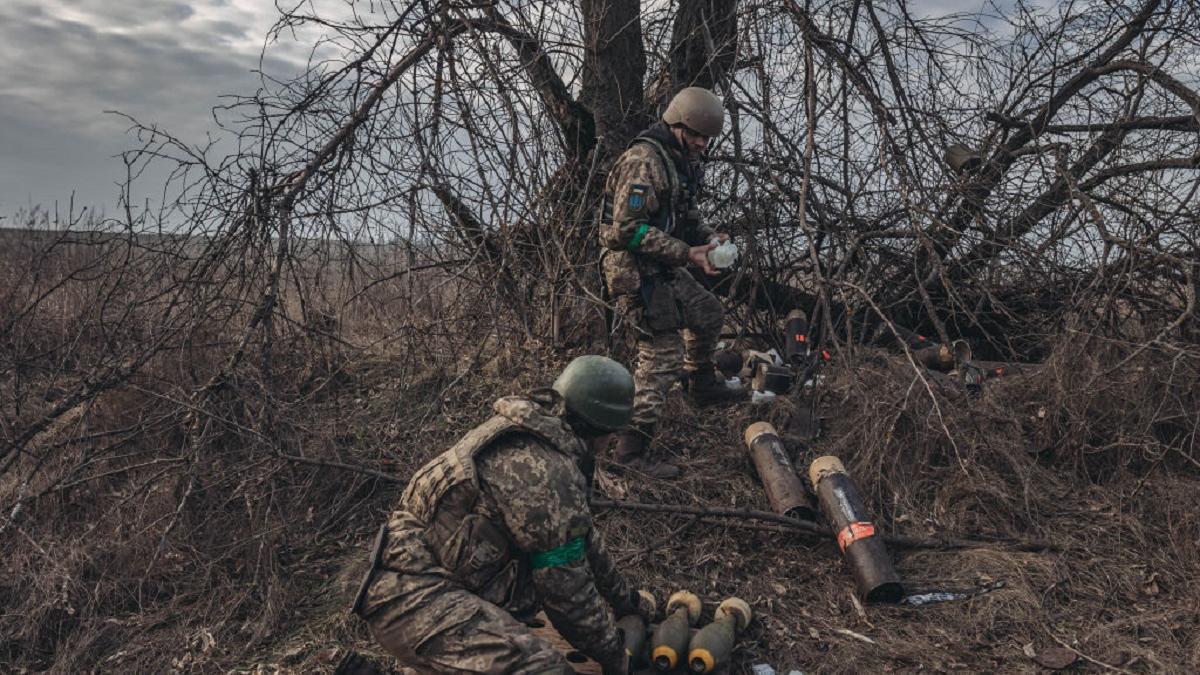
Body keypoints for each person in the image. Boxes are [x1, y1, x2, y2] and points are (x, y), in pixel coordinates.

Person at [352, 355, 654, 674]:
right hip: (416, 603)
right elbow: (568, 594)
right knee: (544, 669)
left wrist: (627, 603)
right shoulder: (545, 474)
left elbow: (582, 541)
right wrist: (615, 657)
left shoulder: (531, 437)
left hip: (420, 591)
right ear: (601, 430)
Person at [599, 86, 744, 480]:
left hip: (661, 265)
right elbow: (624, 231)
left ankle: (701, 385)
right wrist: (688, 254)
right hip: (634, 271)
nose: (701, 143)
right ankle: (630, 454)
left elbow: (686, 211)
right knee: (660, 359)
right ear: (676, 124)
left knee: (708, 312)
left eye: (706, 138)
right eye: (695, 135)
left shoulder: (677, 159)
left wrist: (709, 238)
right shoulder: (643, 162)